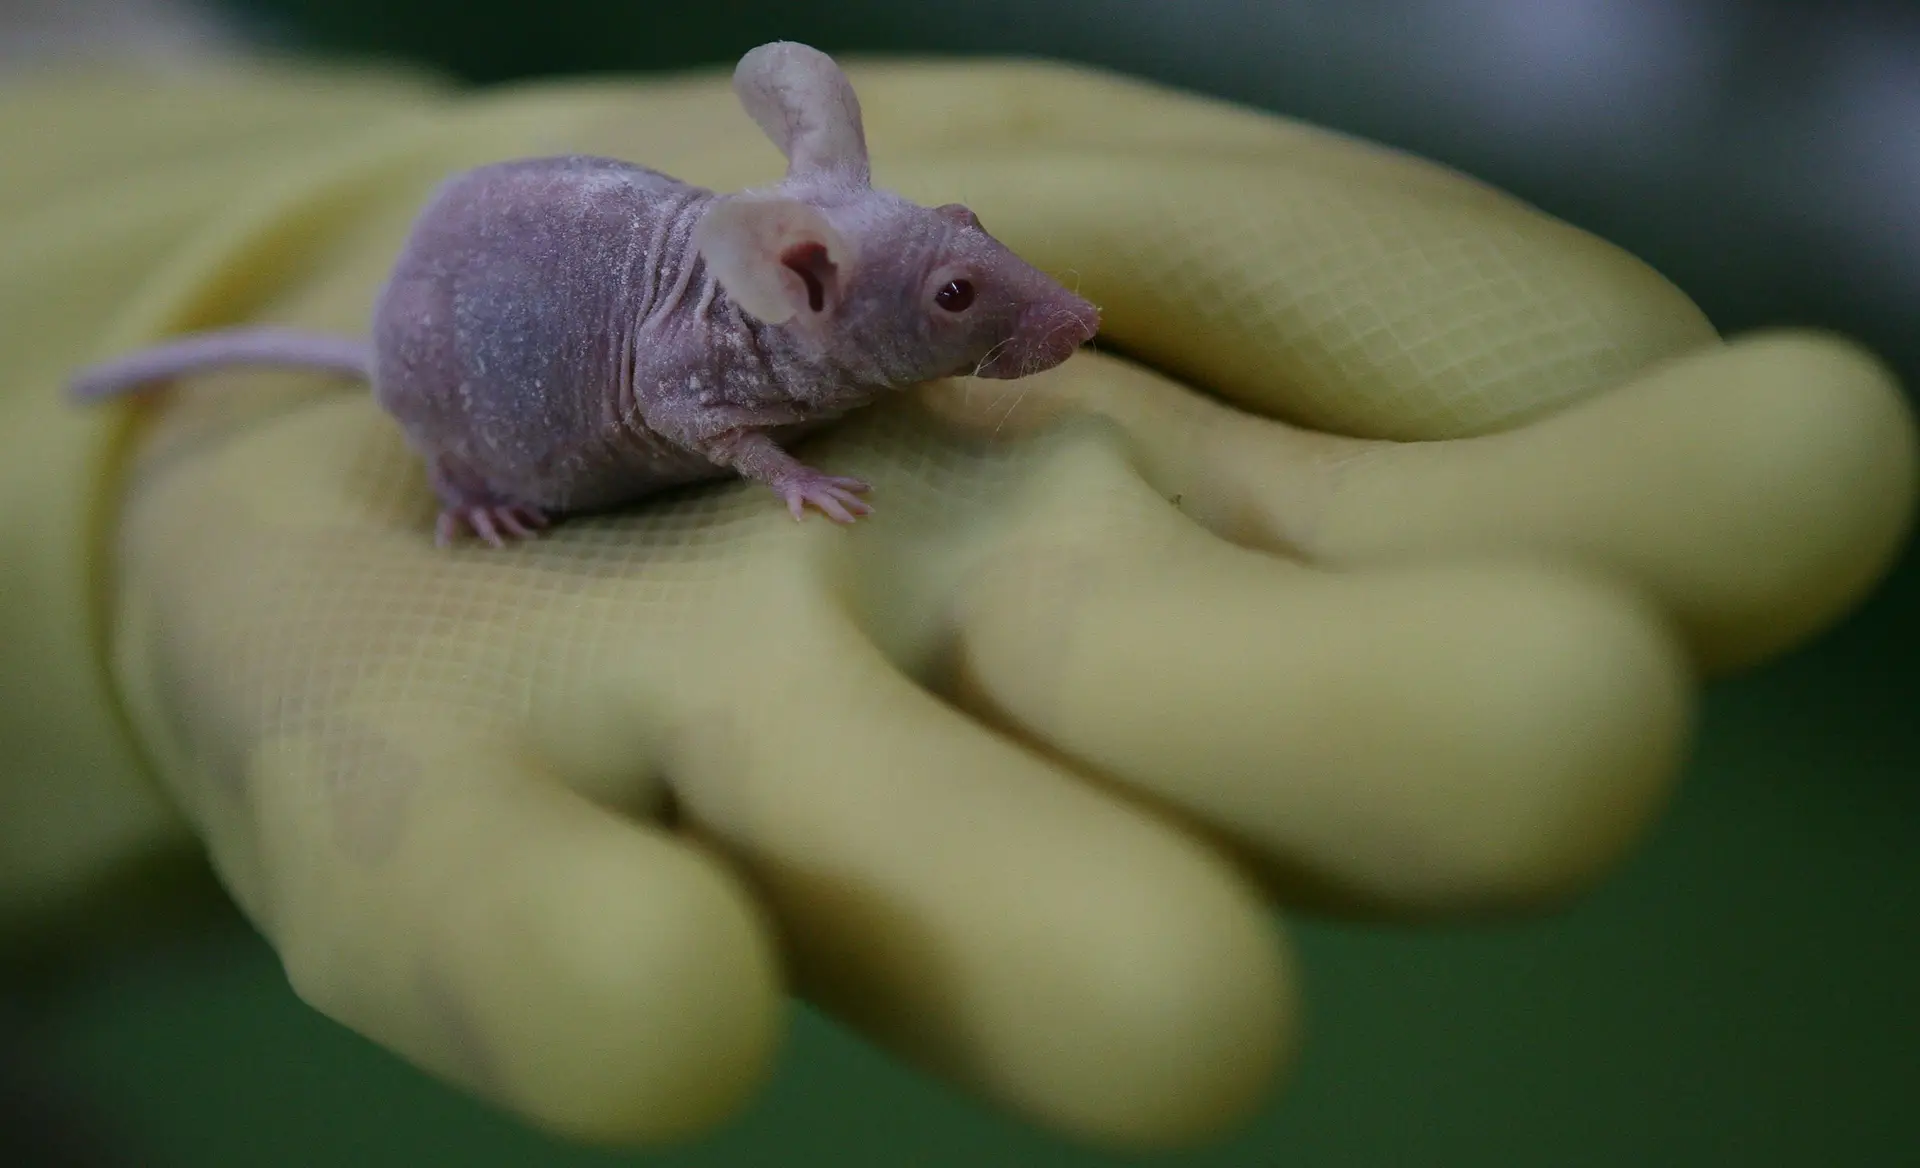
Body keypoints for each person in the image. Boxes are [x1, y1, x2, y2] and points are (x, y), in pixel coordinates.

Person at [1, 36, 1912, 1155]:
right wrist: (777, 471)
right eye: (957, 308)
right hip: (468, 379)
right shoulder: (739, 348)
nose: (1026, 324)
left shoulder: (822, 278)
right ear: (806, 292)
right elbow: (673, 396)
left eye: (979, 284)